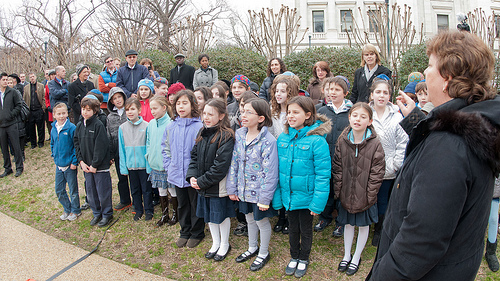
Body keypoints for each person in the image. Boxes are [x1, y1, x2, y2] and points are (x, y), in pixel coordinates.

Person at [367, 30, 500, 280]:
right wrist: (416, 120)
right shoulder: (473, 126)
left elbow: (419, 245)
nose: (426, 72)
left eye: (430, 66)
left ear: (447, 79)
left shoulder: (448, 148)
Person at [272, 96, 331, 278]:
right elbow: (277, 171)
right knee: (292, 227)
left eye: (295, 112)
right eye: (289, 112)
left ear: (307, 115)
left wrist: (317, 204)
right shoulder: (283, 138)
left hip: (307, 197)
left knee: (305, 229)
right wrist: (277, 196)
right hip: (289, 195)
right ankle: (294, 255)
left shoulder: (317, 141)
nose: (290, 116)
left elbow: (323, 175)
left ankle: (303, 257)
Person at [334, 102, 385, 276]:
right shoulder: (342, 140)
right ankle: (347, 255)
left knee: (363, 226)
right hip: (346, 193)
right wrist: (339, 190)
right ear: (349, 118)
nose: (358, 119)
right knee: (348, 224)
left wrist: (370, 195)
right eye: (355, 115)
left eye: (363, 117)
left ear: (370, 121)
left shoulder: (375, 143)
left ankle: (356, 257)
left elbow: (378, 172)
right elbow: (337, 167)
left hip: (366, 195)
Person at [227, 98, 278, 271]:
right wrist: (232, 188)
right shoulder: (240, 135)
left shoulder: (268, 141)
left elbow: (271, 172)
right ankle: (252, 247)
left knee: (261, 221)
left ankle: (263, 252)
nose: (244, 115)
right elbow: (234, 163)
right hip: (243, 190)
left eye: (249, 112)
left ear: (261, 118)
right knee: (249, 219)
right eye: (243, 111)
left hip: (259, 193)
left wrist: (265, 198)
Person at [186, 98, 235, 259]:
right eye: (204, 113)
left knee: (220, 216)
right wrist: (192, 176)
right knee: (209, 216)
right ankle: (216, 242)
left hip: (217, 186)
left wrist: (201, 181)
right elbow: (194, 157)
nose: (206, 117)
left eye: (210, 114)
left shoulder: (226, 136)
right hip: (202, 184)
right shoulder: (202, 131)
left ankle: (224, 244)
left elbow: (220, 167)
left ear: (221, 116)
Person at [162, 90, 204, 248]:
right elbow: (165, 148)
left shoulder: (199, 126)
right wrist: (169, 166)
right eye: (178, 103)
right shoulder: (171, 126)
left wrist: (198, 173)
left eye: (185, 103)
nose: (181, 106)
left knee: (194, 204)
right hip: (176, 174)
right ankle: (184, 231)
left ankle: (197, 232)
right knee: (181, 204)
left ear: (192, 105)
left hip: (192, 176)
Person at [368, 78, 408, 246]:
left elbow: (403, 142)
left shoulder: (397, 117)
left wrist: (395, 164)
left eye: (385, 92)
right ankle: (366, 224)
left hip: (389, 168)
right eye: (378, 92)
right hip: (368, 167)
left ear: (389, 96)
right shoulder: (366, 114)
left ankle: (380, 229)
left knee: (383, 199)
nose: (381, 96)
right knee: (370, 197)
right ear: (372, 95)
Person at [314, 76, 353, 237]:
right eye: (330, 89)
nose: (333, 92)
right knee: (327, 189)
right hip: (325, 158)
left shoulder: (351, 112)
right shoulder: (322, 111)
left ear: (345, 92)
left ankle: (342, 222)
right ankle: (325, 217)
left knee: (342, 190)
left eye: (337, 89)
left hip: (344, 160)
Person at [74, 95, 113, 227]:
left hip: (99, 167)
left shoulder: (98, 125)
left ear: (95, 111)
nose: (85, 112)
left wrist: (95, 164)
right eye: (83, 109)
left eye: (88, 110)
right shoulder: (79, 126)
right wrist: (81, 162)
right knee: (91, 192)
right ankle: (96, 213)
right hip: (86, 167)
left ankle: (107, 214)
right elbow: (77, 144)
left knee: (103, 191)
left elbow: (100, 147)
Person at [268, 77, 299, 234]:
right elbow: (270, 132)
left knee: (289, 184)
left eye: (283, 91)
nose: (278, 94)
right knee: (279, 184)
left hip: (291, 153)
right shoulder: (272, 111)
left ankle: (289, 216)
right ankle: (280, 215)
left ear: (290, 92)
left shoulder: (294, 110)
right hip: (276, 152)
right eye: (276, 91)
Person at [118, 97, 153, 221]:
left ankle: (149, 210)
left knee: (146, 189)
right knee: (135, 189)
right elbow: (121, 149)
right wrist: (124, 167)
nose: (130, 112)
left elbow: (149, 147)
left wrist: (149, 165)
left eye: (132, 109)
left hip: (143, 165)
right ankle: (138, 209)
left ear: (139, 110)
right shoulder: (122, 128)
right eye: (127, 109)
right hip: (131, 165)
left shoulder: (147, 126)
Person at [145, 96, 175, 227]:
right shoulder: (151, 124)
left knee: (172, 190)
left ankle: (175, 214)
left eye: (155, 108)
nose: (152, 111)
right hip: (155, 164)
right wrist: (149, 156)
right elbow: (148, 141)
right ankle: (164, 214)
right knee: (161, 190)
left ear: (164, 108)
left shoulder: (170, 124)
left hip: (167, 166)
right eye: (151, 108)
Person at [50, 102, 80, 221]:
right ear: (54, 115)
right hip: (59, 164)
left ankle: (75, 210)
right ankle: (67, 208)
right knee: (59, 189)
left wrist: (74, 161)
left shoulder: (71, 128)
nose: (61, 116)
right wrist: (54, 156)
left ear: (67, 113)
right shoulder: (53, 128)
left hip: (70, 165)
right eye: (59, 114)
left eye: (64, 113)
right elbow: (52, 143)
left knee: (73, 190)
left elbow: (75, 146)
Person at [106, 87, 132, 212]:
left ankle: (138, 198)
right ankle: (125, 200)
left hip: (131, 147)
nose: (118, 100)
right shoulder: (110, 117)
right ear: (111, 101)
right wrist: (111, 153)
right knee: (121, 175)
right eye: (114, 98)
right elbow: (109, 136)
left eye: (119, 97)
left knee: (133, 175)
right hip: (117, 149)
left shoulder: (130, 111)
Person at [0, 72, 24, 177]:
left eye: (7, 80)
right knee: (4, 148)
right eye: (4, 80)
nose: (6, 82)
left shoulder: (13, 92)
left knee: (16, 146)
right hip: (1, 125)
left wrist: (11, 114)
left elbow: (19, 105)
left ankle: (19, 167)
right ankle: (7, 168)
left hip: (12, 123)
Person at [23, 72, 46, 149]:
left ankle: (41, 142)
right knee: (31, 128)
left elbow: (43, 97)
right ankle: (33, 143)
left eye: (33, 76)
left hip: (39, 109)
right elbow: (24, 99)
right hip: (30, 111)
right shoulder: (26, 88)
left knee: (41, 127)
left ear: (35, 77)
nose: (32, 78)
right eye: (30, 77)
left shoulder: (41, 86)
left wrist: (43, 107)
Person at [44, 69, 56, 137]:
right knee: (52, 123)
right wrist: (48, 105)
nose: (53, 76)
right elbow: (46, 97)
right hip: (51, 107)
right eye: (51, 75)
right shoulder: (47, 85)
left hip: (58, 105)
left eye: (54, 74)